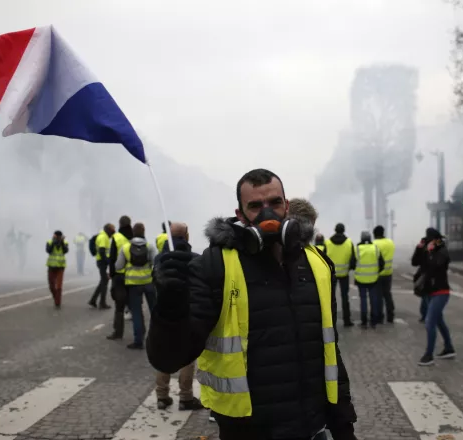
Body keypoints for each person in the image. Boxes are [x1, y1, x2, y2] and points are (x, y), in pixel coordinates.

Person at [147, 168, 357, 440]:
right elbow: (167, 358)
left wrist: (343, 424)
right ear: (240, 215)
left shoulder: (317, 263)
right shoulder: (215, 267)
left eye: (275, 203)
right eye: (256, 206)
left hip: (314, 428)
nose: (267, 214)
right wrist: (169, 305)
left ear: (287, 206)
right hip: (247, 432)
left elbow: (329, 351)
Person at [153, 222, 204, 411]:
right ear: (187, 236)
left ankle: (162, 395)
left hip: (163, 313)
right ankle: (186, 397)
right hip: (186, 313)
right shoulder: (194, 258)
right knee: (187, 357)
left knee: (164, 352)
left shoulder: (160, 259)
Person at [418, 228, 456, 366]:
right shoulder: (430, 251)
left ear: (436, 239)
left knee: (430, 322)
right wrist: (420, 249)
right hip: (429, 292)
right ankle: (449, 348)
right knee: (439, 321)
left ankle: (429, 355)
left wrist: (429, 252)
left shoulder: (442, 252)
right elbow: (416, 262)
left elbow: (435, 266)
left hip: (441, 292)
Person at [116, 222, 157, 349]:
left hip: (133, 284)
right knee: (155, 312)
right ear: (144, 232)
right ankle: (159, 338)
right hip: (148, 282)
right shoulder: (150, 247)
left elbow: (118, 266)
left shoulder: (126, 247)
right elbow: (155, 263)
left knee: (137, 313)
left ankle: (138, 340)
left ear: (133, 232)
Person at [324, 223, 356, 327]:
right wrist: (349, 268)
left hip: (332, 274)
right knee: (345, 298)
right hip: (344, 274)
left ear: (335, 230)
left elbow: (323, 258)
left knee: (331, 298)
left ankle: (331, 321)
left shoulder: (327, 242)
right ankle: (347, 320)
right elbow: (353, 260)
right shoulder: (349, 243)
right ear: (343, 230)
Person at [107, 216, 134, 340]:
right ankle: (138, 335)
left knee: (119, 306)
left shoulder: (116, 238)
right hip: (133, 275)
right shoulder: (135, 237)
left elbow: (112, 258)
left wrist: (111, 274)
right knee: (135, 305)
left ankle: (118, 332)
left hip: (119, 275)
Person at [354, 231, 385, 329]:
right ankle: (374, 321)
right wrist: (376, 271)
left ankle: (364, 321)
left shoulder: (357, 249)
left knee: (363, 299)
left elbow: (352, 263)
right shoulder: (375, 248)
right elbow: (382, 263)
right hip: (373, 278)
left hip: (360, 279)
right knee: (373, 299)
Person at [372, 225, 395, 323]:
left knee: (378, 296)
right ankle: (390, 315)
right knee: (387, 295)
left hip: (377, 273)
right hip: (388, 272)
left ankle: (379, 317)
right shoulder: (390, 243)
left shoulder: (374, 244)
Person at [89, 223, 115, 309]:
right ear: (108, 230)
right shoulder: (103, 237)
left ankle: (93, 300)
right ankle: (102, 303)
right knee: (105, 281)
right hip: (102, 262)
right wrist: (108, 262)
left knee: (104, 281)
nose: (113, 232)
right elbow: (102, 251)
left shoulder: (104, 236)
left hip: (102, 261)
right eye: (112, 230)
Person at [46, 231, 68, 308]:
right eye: (56, 237)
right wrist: (53, 242)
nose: (58, 238)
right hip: (51, 266)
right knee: (51, 285)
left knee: (59, 285)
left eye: (59, 237)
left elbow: (66, 251)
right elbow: (48, 250)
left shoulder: (64, 242)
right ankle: (56, 296)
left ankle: (57, 302)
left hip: (60, 266)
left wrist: (61, 242)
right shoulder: (49, 242)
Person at [411, 237, 428, 322]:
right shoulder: (435, 245)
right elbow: (414, 262)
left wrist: (418, 249)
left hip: (427, 275)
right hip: (426, 275)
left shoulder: (432, 247)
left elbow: (414, 262)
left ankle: (426, 315)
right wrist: (418, 249)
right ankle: (426, 315)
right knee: (426, 296)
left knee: (426, 296)